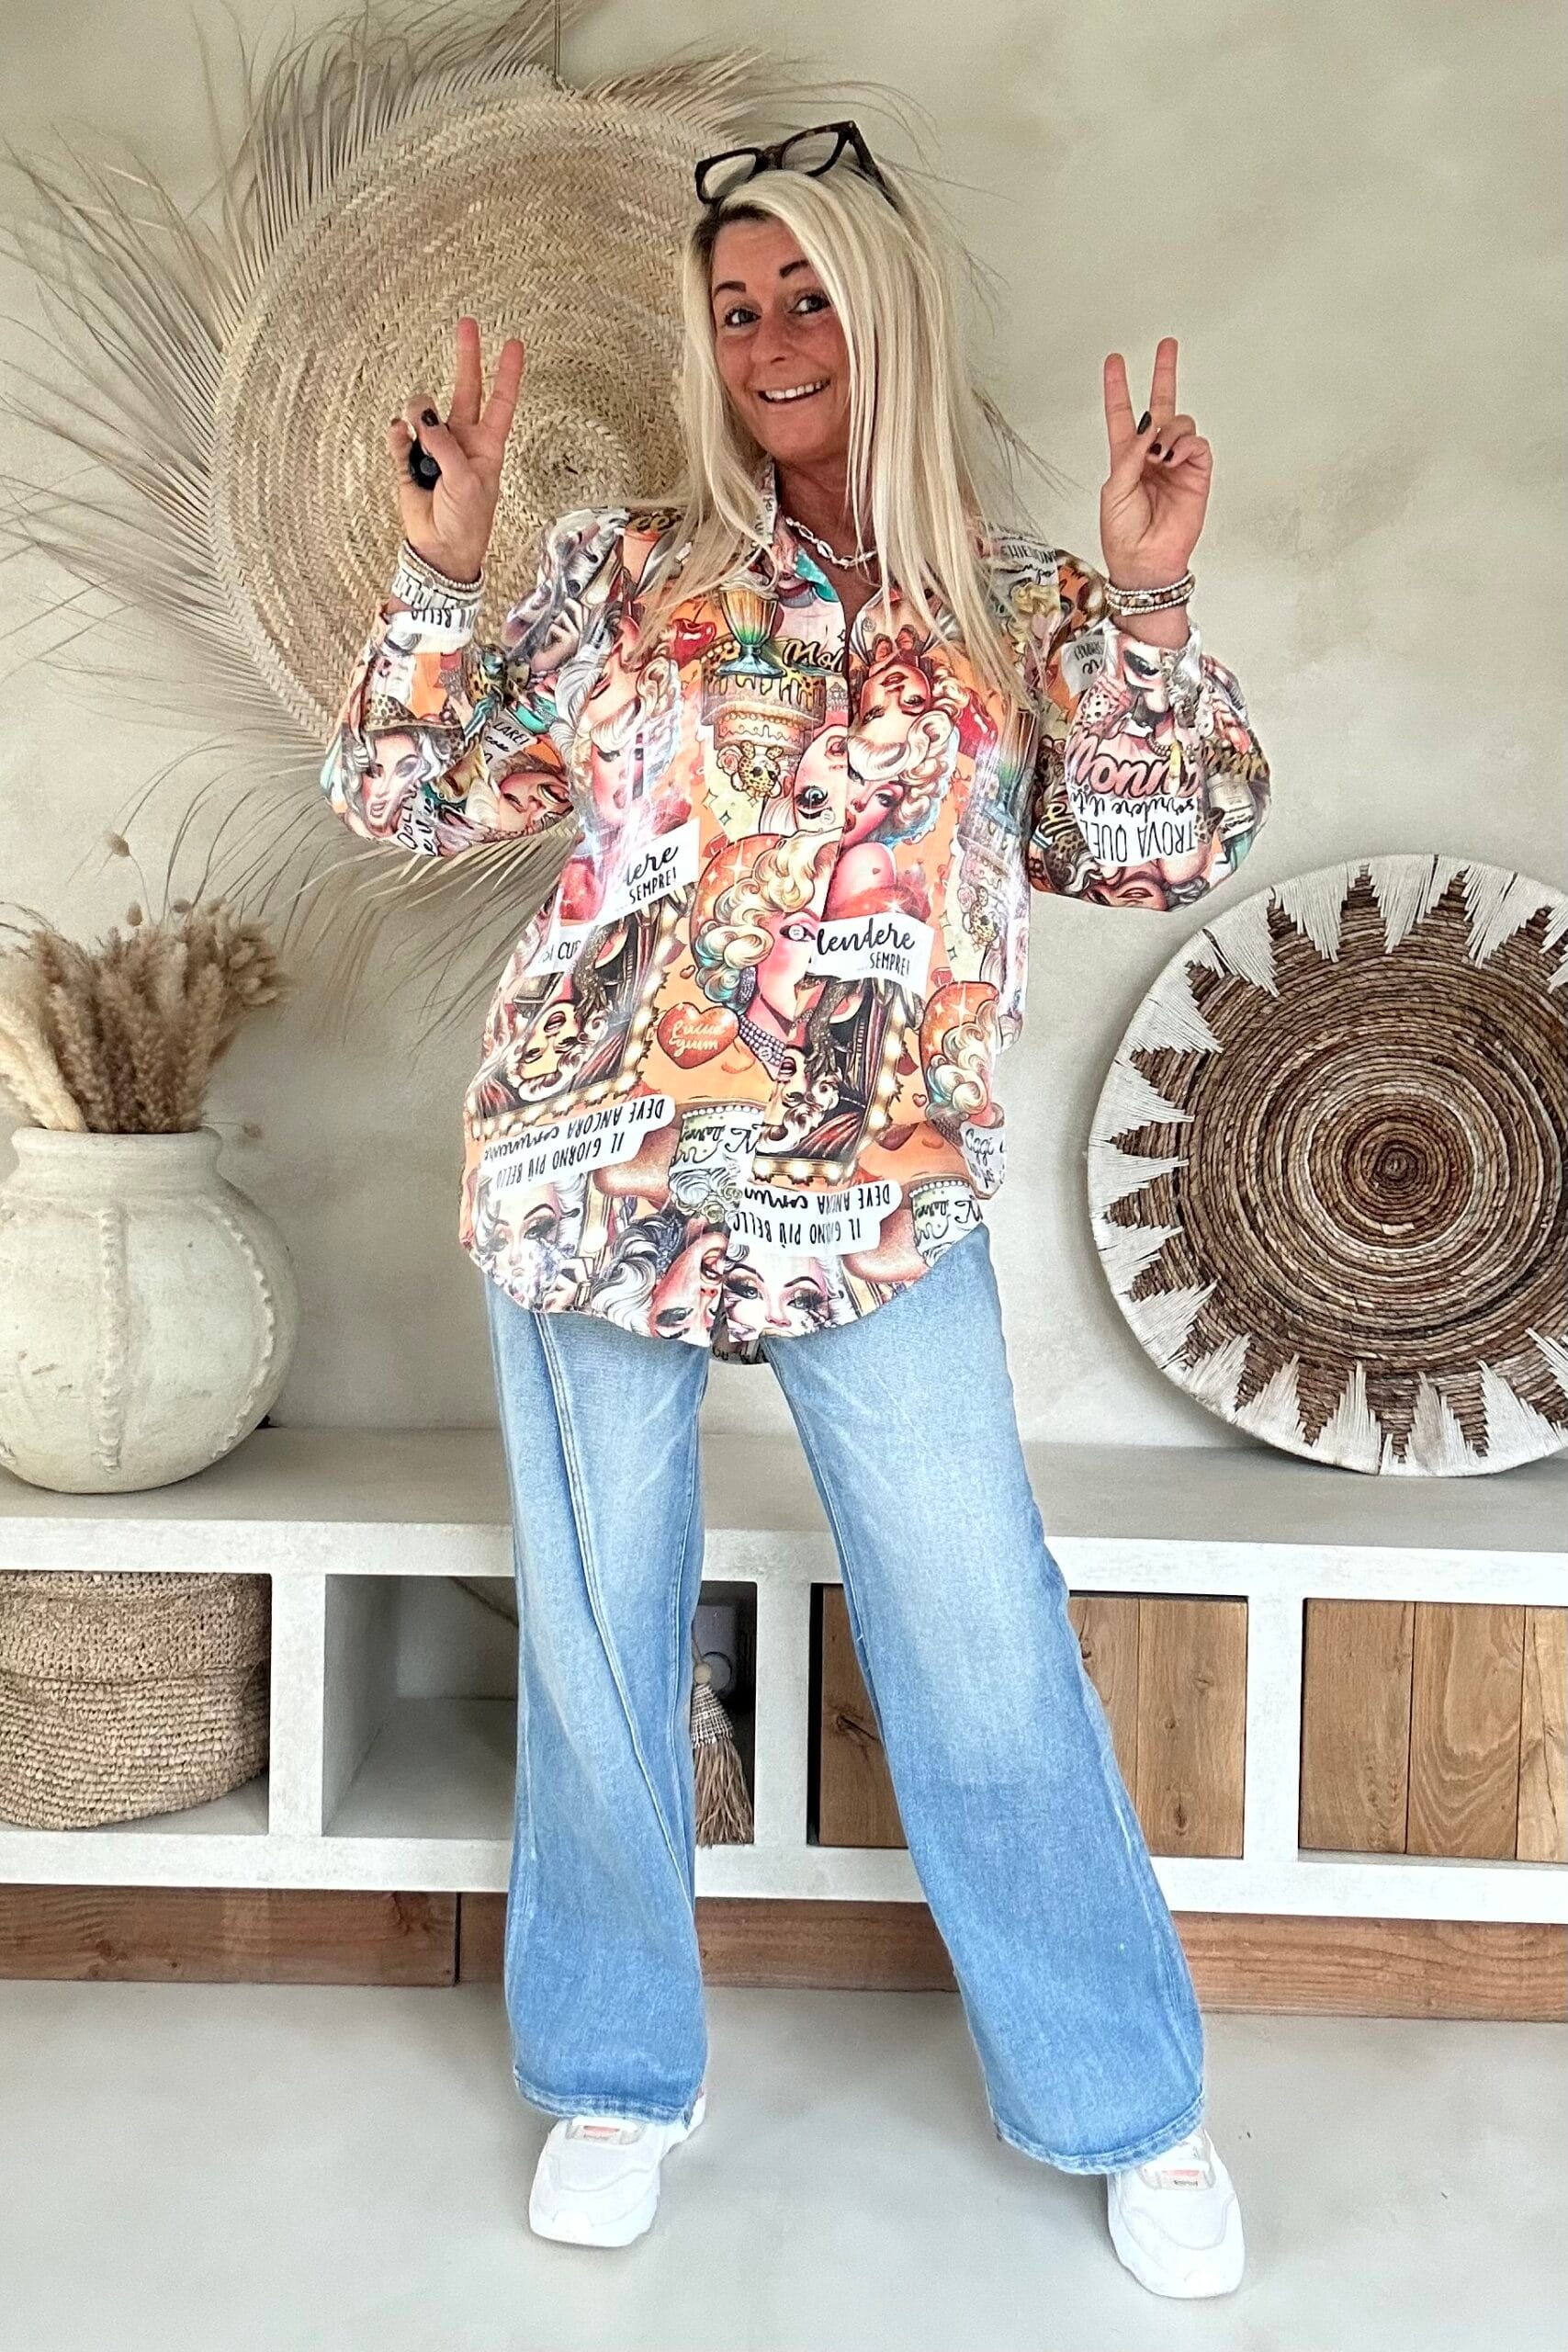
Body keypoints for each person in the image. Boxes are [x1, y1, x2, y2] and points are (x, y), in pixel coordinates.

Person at [321, 118, 1272, 2298]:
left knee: (974, 1632)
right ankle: (612, 2067)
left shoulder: (1011, 607)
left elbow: (1152, 841)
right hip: (592, 1171)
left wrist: (1144, 589)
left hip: (881, 1197)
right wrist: (441, 574)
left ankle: (1120, 2100)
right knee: (599, 1635)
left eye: (806, 297)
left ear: (885, 315)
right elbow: (406, 790)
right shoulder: (622, 577)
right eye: (734, 306)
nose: (767, 340)